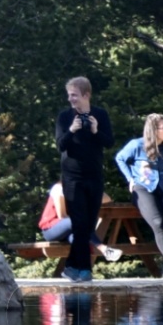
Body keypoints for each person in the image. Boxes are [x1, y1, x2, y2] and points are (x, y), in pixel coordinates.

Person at [116, 113, 163, 279]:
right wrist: (130, 179)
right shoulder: (136, 145)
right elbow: (120, 158)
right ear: (153, 130)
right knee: (158, 221)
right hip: (143, 187)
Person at [55, 77, 114, 283]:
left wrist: (96, 130)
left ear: (86, 95)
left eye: (74, 95)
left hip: (94, 177)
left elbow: (109, 142)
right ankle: (84, 269)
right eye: (69, 95)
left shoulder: (100, 115)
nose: (71, 99)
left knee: (88, 226)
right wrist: (71, 130)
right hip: (72, 178)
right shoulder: (64, 117)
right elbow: (60, 145)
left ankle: (72, 266)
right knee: (79, 224)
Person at [39, 181, 124, 263]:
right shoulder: (59, 188)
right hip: (51, 229)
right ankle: (104, 249)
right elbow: (62, 216)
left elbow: (107, 198)